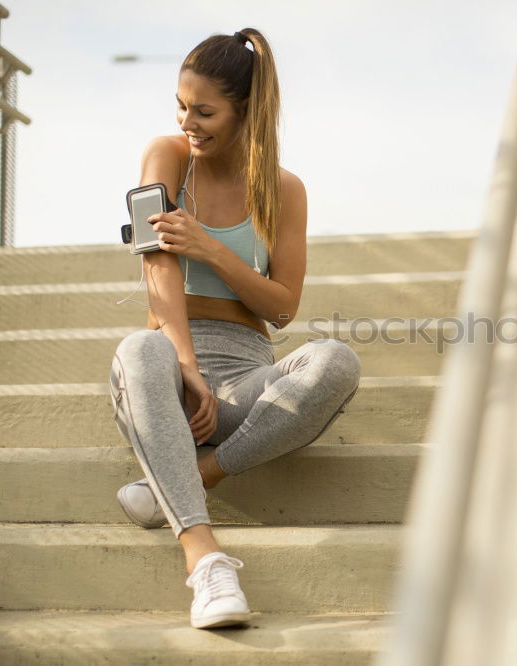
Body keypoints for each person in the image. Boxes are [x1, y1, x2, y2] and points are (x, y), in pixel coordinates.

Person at [108, 28, 361, 630]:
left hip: (246, 379)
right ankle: (205, 560)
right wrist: (186, 365)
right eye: (181, 105)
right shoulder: (164, 157)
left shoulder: (284, 189)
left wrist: (214, 251)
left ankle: (192, 478)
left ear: (246, 110)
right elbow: (157, 262)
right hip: (172, 369)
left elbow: (282, 307)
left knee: (336, 360)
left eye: (205, 110)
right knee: (140, 347)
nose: (187, 121)